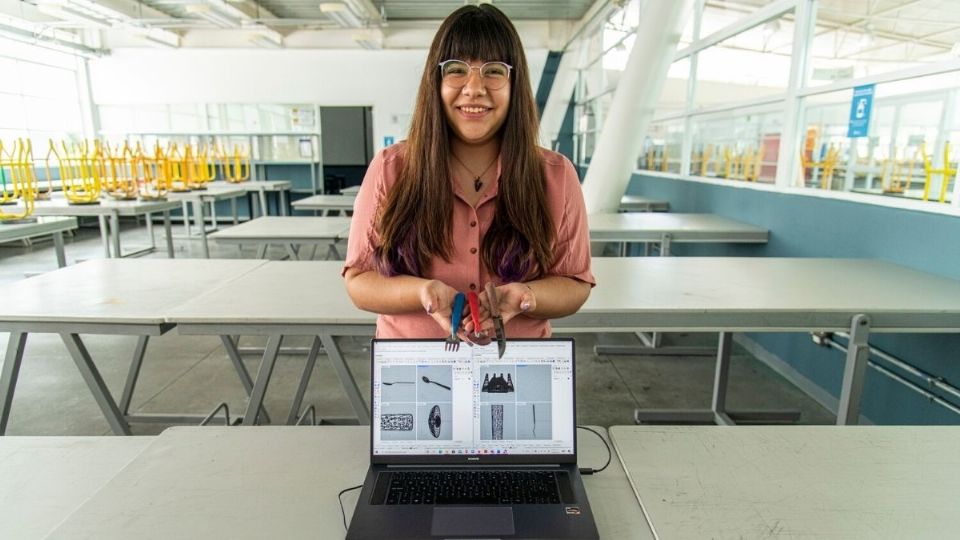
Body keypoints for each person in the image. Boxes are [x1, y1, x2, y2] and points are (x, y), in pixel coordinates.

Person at [342, 4, 594, 340]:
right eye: (457, 69)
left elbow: (575, 283)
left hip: (516, 370)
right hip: (415, 372)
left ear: (514, 83)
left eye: (493, 71)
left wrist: (524, 298)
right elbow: (359, 282)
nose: (474, 87)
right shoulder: (391, 168)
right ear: (436, 80)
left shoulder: (556, 175)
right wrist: (422, 292)